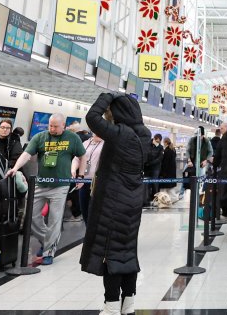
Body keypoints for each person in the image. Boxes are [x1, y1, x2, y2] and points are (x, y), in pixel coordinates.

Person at [81, 92, 151, 315]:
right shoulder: (144, 134)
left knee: (110, 253)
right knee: (127, 251)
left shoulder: (121, 134)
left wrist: (106, 96)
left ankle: (111, 304)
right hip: (132, 200)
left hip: (113, 200)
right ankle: (128, 302)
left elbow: (92, 117)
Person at [6, 113, 86, 267]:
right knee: (31, 216)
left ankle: (49, 250)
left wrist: (81, 176)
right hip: (40, 184)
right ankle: (47, 240)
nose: (52, 129)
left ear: (63, 125)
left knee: (55, 220)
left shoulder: (72, 138)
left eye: (56, 126)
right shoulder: (40, 137)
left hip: (60, 185)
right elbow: (26, 154)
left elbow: (83, 156)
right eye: (50, 125)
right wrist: (15, 168)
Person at [78, 129, 105, 225]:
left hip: (98, 182)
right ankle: (88, 232)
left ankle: (94, 234)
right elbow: (78, 158)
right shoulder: (86, 143)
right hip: (84, 180)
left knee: (95, 210)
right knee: (84, 208)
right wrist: (74, 170)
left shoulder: (107, 144)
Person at [145, 135, 164, 204]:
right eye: (157, 141)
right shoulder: (148, 144)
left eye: (159, 141)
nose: (157, 142)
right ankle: (146, 197)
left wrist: (150, 163)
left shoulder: (160, 147)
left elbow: (159, 158)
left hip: (155, 167)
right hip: (147, 167)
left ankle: (155, 198)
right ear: (154, 139)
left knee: (155, 183)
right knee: (146, 183)